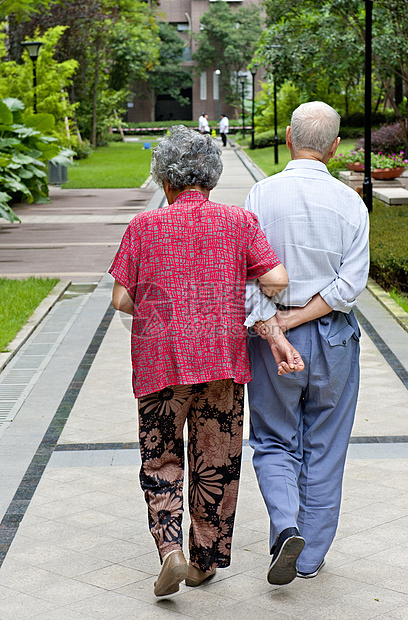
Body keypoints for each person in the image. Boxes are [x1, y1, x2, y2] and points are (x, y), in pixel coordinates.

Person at [109, 126, 303, 598]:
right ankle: (203, 562)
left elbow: (120, 299)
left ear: (165, 181)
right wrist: (240, 294)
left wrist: (165, 305)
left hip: (160, 364)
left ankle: (169, 551)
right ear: (211, 180)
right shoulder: (238, 222)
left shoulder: (143, 227)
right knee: (216, 462)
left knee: (161, 459)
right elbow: (277, 278)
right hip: (222, 363)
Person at [244, 101, 369, 586]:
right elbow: (348, 286)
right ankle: (310, 556)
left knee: (274, 440)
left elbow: (249, 278)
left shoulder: (259, 195)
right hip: (333, 338)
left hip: (271, 336)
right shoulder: (350, 202)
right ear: (335, 148)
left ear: (291, 140)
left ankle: (285, 527)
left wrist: (280, 322)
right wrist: (305, 316)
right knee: (326, 443)